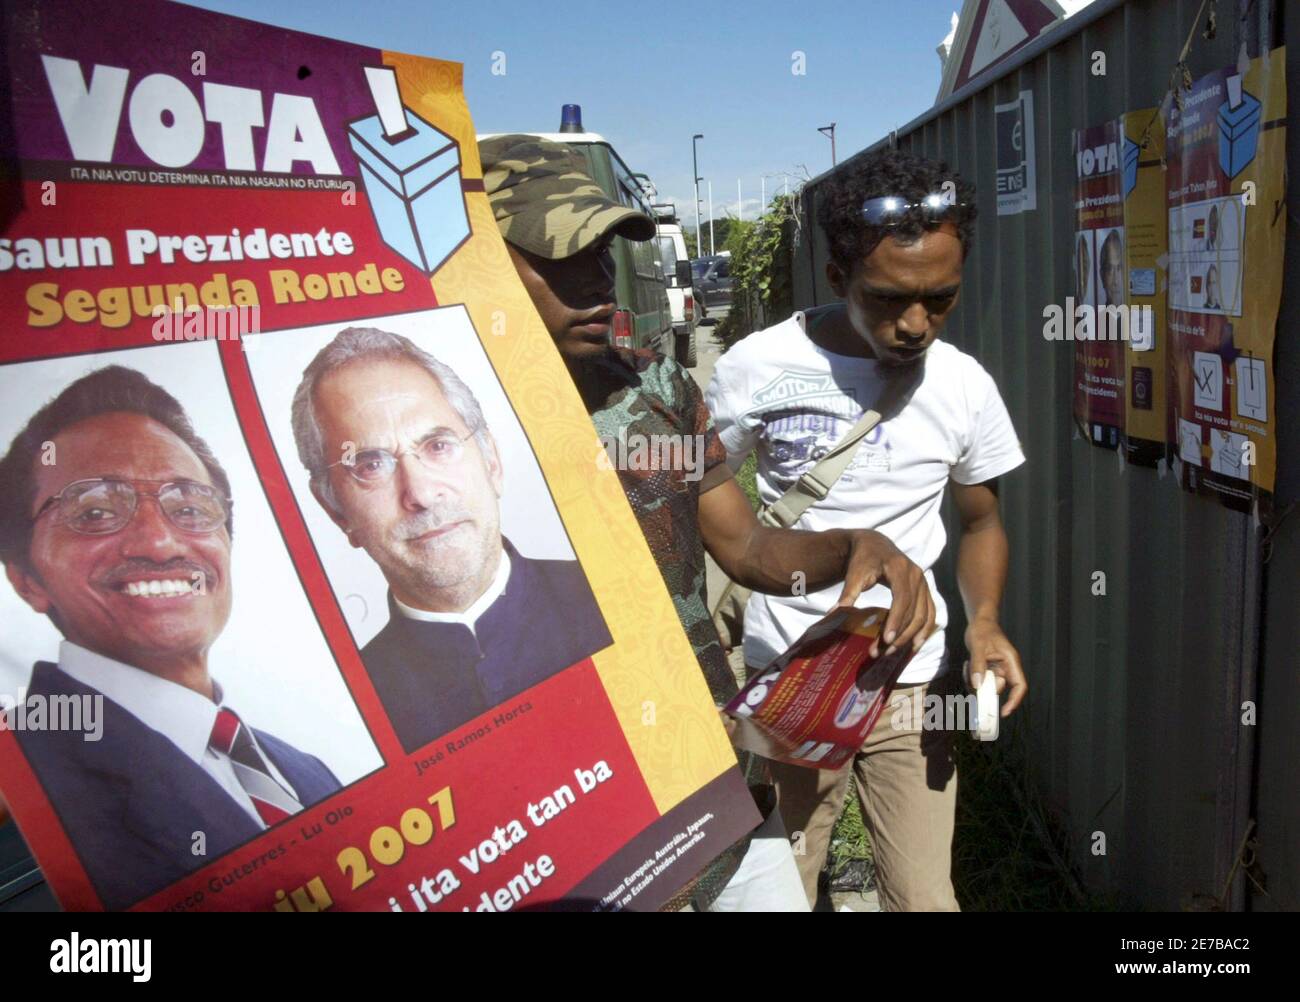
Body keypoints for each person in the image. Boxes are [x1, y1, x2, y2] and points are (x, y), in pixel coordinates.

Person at [479, 134, 936, 911]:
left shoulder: (651, 382)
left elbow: (749, 546)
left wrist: (854, 546)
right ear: (480, 264)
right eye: (558, 261)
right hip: (552, 809)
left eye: (600, 254)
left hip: (704, 767)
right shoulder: (439, 433)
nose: (593, 281)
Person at [706, 149, 1028, 911]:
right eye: (887, 299)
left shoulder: (964, 384)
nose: (916, 324)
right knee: (782, 887)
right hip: (791, 678)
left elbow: (981, 520)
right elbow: (709, 487)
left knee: (924, 896)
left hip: (911, 683)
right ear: (835, 274)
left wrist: (983, 621)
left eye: (940, 300)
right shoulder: (759, 368)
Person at [0, 366, 340, 910]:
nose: (160, 542)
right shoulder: (25, 782)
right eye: (94, 511)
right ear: (27, 579)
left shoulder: (305, 770)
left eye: (188, 508)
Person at [291, 327, 611, 752]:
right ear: (335, 510)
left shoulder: (614, 593)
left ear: (491, 460)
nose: (421, 494)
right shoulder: (344, 716)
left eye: (438, 445)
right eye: (370, 465)